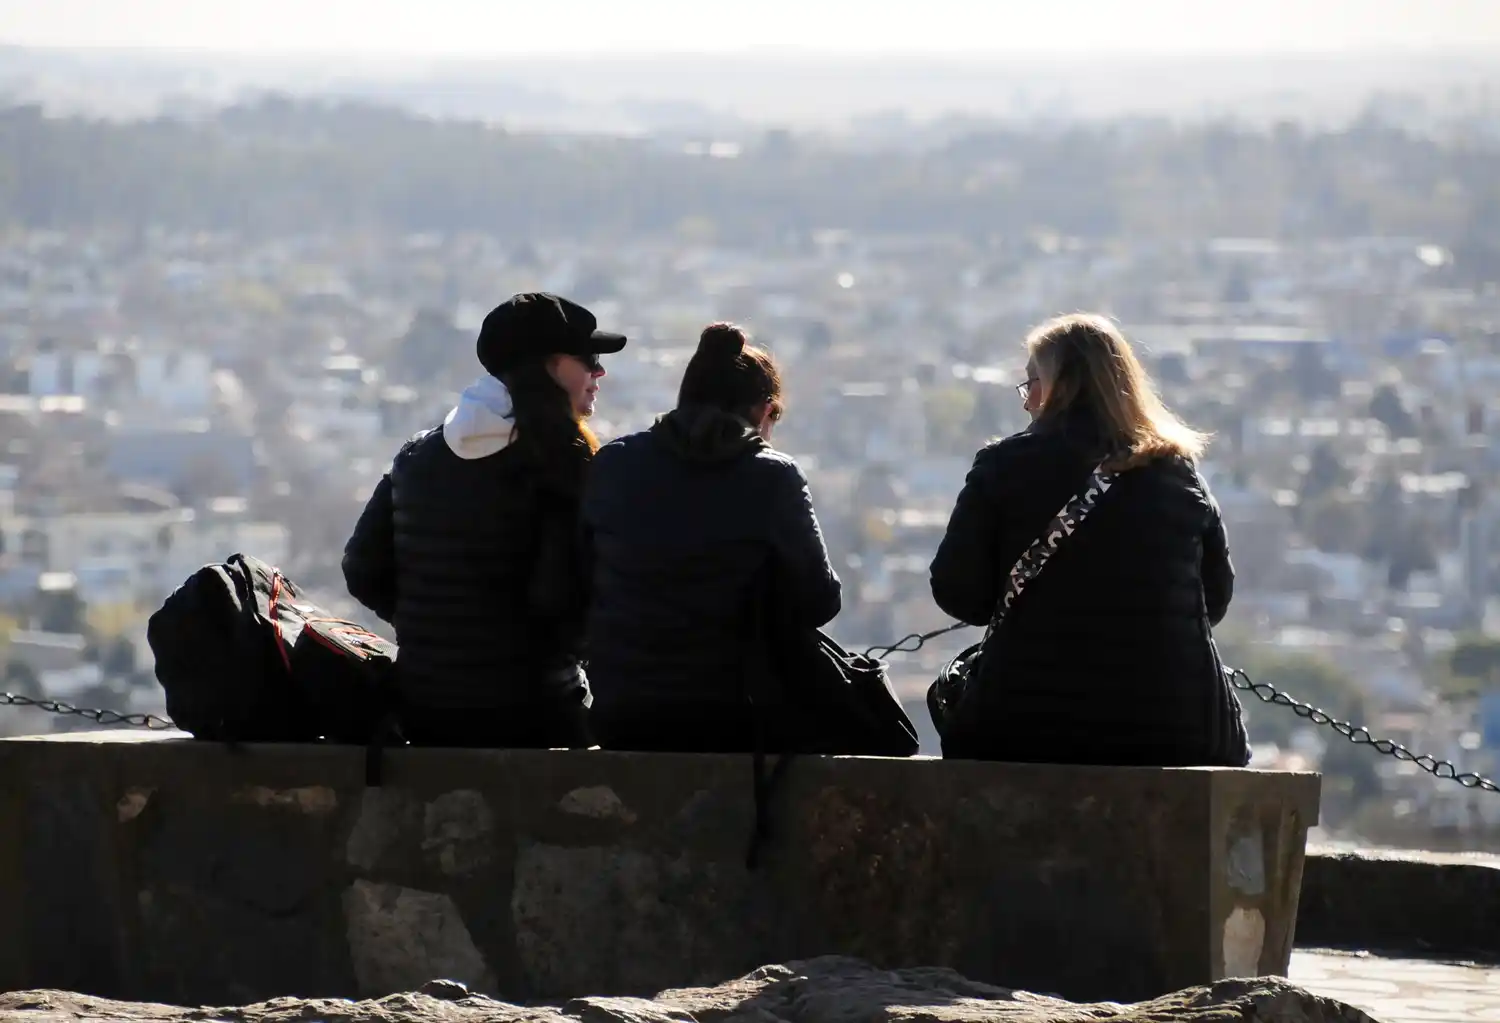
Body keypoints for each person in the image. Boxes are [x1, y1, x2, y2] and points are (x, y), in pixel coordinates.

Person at [928, 313, 1247, 767]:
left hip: (1023, 724)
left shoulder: (1004, 466)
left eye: (1031, 382)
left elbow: (958, 593)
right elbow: (1213, 599)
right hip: (1179, 729)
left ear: (1060, 385)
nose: (1026, 402)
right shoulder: (1177, 474)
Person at [342, 292, 625, 748]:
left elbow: (361, 570)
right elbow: (564, 606)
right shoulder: (571, 465)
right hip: (538, 714)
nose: (599, 373)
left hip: (425, 712)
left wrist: (440, 633)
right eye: (588, 359)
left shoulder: (417, 456)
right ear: (550, 367)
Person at [580, 322, 842, 752]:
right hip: (733, 712)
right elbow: (819, 600)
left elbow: (580, 576)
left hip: (620, 705)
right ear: (763, 411)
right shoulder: (772, 477)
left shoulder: (614, 464)